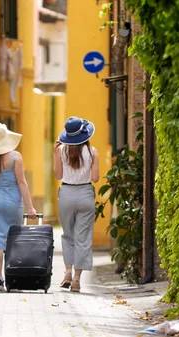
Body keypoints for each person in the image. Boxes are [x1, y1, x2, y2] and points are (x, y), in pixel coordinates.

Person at [0, 122, 38, 291]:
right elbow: (22, 182)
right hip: (13, 202)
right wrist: (30, 207)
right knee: (13, 239)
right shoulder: (15, 157)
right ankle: (13, 277)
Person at [54, 116, 100, 292]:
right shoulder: (93, 152)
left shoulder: (60, 151)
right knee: (83, 238)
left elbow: (58, 175)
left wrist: (54, 153)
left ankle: (67, 272)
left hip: (66, 193)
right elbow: (95, 178)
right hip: (85, 194)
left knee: (68, 235)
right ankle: (77, 279)